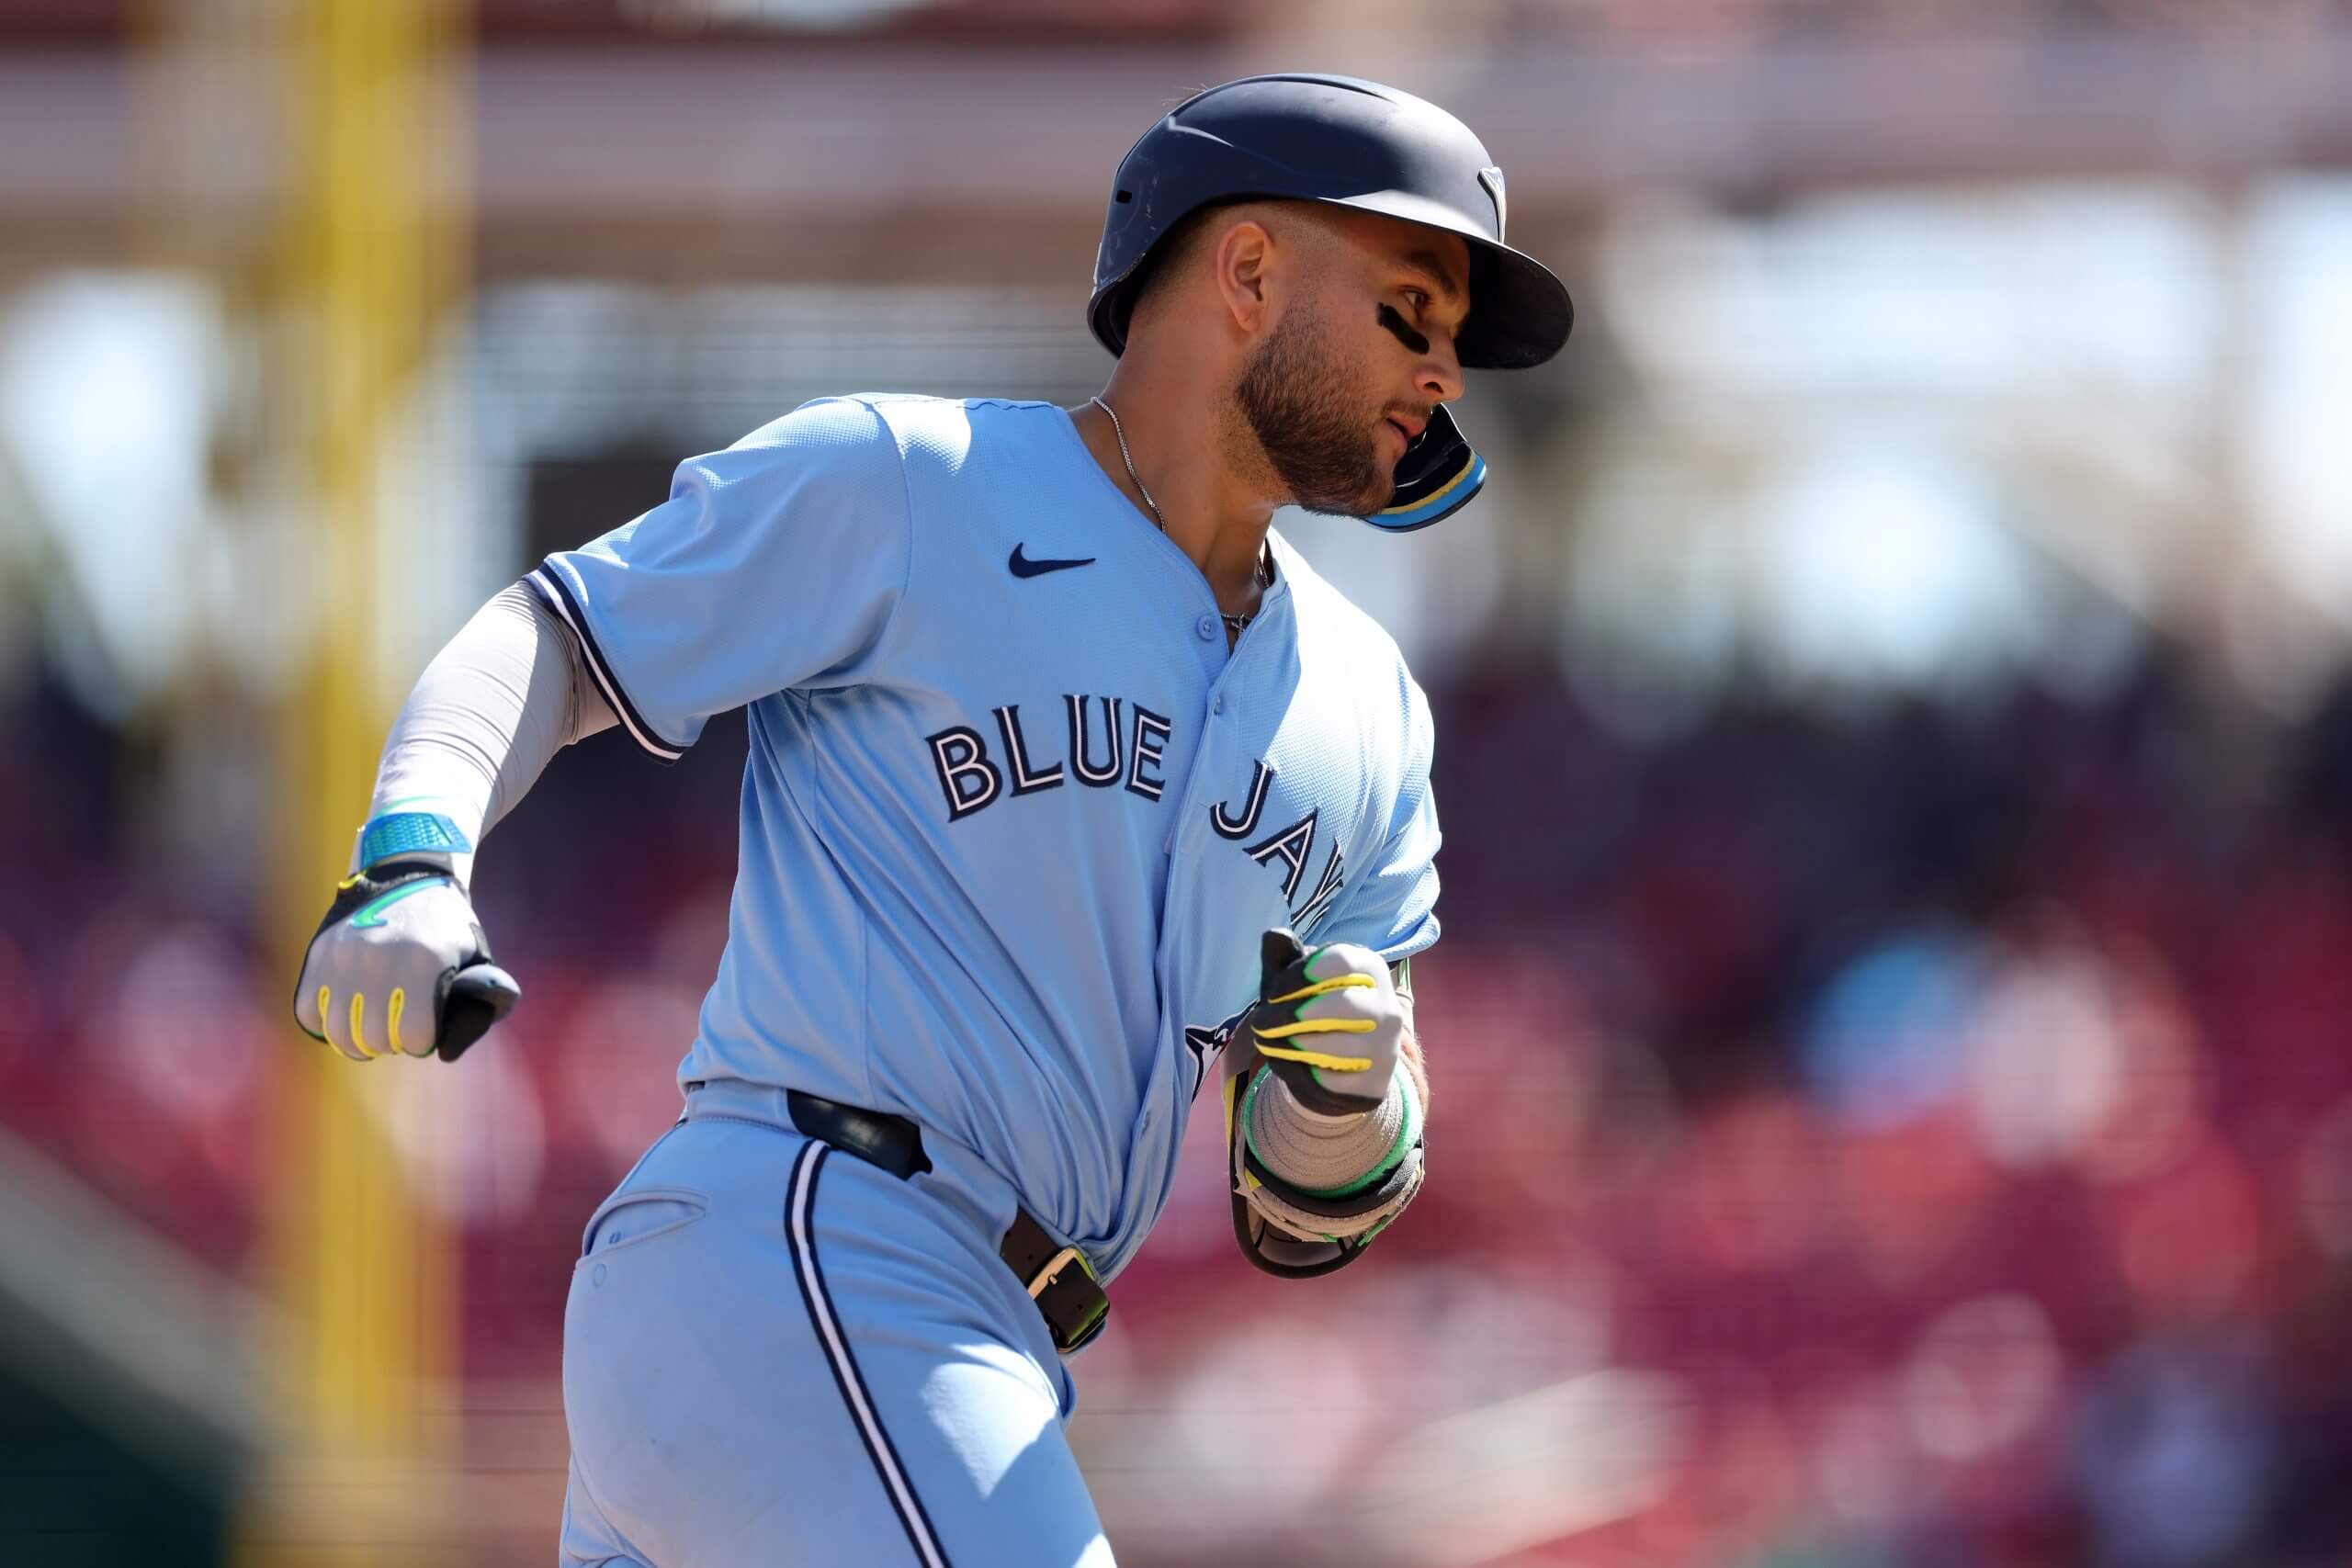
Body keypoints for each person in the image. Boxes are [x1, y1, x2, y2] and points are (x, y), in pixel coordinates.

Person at [292, 72, 1572, 1568]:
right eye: (1413, 311)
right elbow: (557, 636)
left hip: (987, 1346)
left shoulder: (1371, 704)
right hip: (814, 1249)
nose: (1444, 375)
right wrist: (411, 863)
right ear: (1246, 272)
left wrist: (1354, 1101)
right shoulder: (919, 483)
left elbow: (1303, 1211)